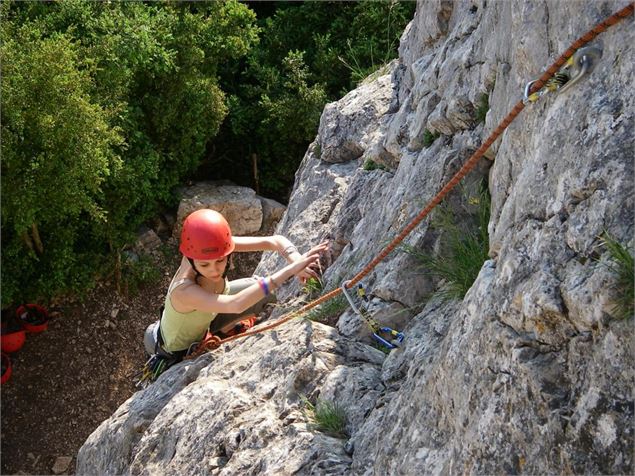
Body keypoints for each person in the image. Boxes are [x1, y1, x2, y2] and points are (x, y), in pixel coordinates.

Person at [143, 208, 328, 363]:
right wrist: (290, 270)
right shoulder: (183, 291)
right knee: (259, 291)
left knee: (263, 293)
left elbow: (276, 241)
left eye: (220, 261)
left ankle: (224, 331)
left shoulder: (210, 250)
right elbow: (235, 304)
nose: (214, 270)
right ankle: (222, 332)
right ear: (191, 261)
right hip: (175, 350)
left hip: (209, 317)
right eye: (204, 265)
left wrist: (296, 261)